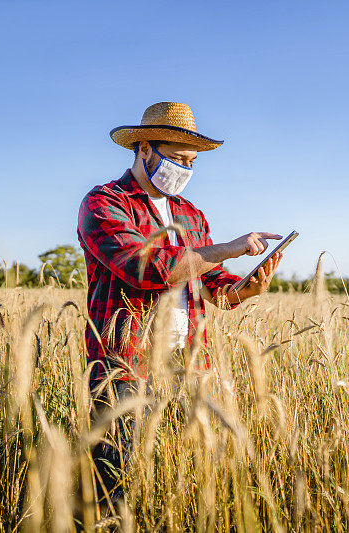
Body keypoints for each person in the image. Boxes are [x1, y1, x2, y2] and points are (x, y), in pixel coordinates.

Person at [76, 101, 283, 502]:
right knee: (113, 478)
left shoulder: (191, 215)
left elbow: (213, 286)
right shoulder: (105, 203)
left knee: (174, 475)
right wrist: (229, 247)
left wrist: (246, 289)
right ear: (144, 149)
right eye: (176, 158)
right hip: (125, 363)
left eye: (191, 161)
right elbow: (148, 269)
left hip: (186, 362)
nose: (185, 169)